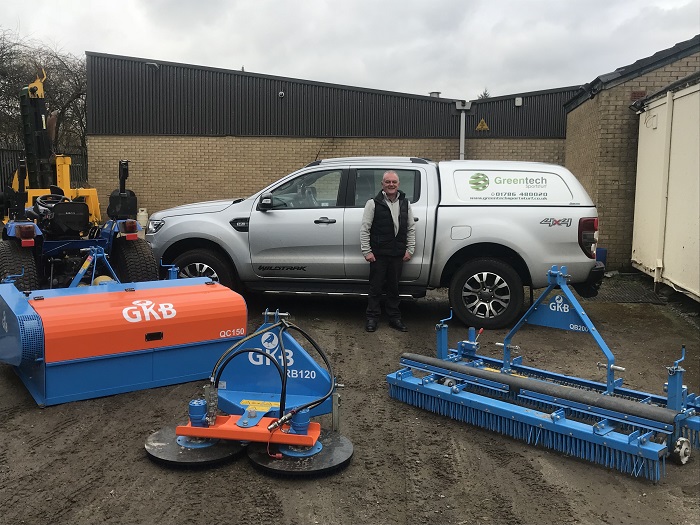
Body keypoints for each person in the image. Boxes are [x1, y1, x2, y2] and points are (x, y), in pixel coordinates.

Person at [360, 170, 416, 332]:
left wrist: (410, 249)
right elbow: (365, 229)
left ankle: (394, 318)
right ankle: (372, 318)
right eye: (387, 182)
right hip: (378, 254)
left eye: (394, 182)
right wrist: (367, 251)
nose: (391, 184)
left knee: (394, 289)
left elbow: (411, 228)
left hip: (397, 254)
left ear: (398, 184)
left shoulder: (405, 203)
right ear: (382, 184)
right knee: (375, 288)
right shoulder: (373, 203)